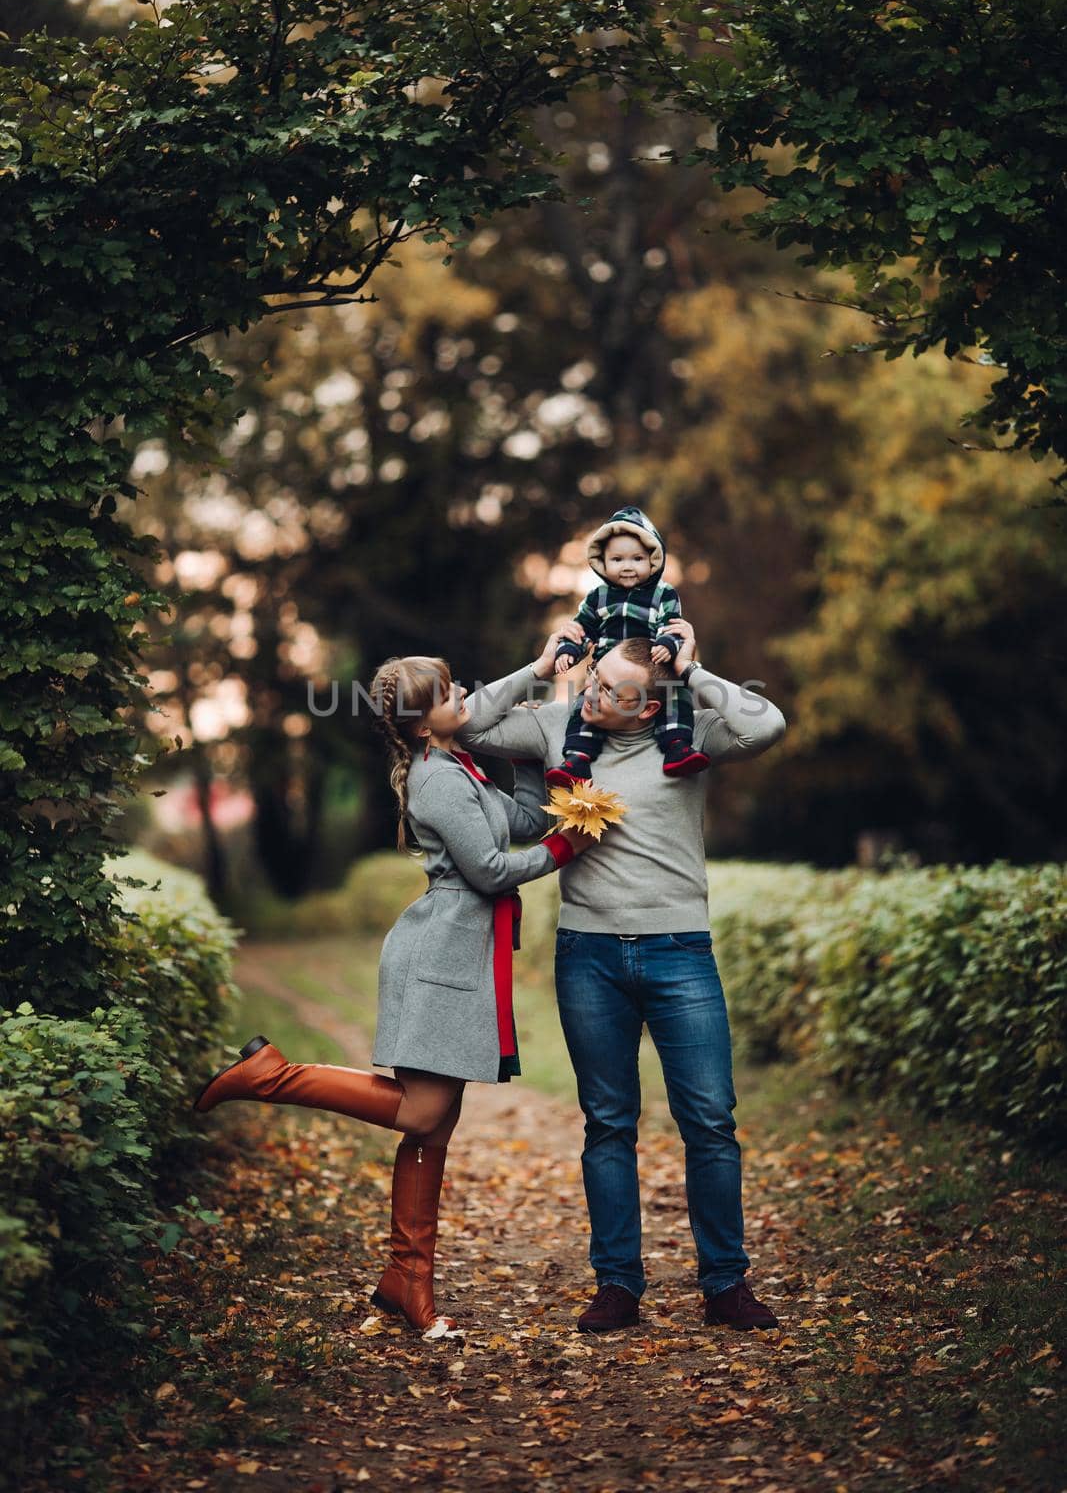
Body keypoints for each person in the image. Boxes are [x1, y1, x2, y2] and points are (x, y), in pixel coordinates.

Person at [192, 654, 593, 1336]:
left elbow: (523, 820)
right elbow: (492, 870)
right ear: (418, 723)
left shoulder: (460, 766)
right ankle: (273, 1076)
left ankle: (407, 1280)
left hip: (462, 955)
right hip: (439, 956)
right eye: (446, 692)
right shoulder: (438, 782)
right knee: (421, 1111)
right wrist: (566, 851)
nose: (461, 693)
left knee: (433, 1127)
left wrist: (535, 751)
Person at [462, 624, 787, 1334]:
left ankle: (725, 1284)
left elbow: (768, 726)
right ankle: (616, 1285)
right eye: (592, 677)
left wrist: (694, 670)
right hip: (589, 957)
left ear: (646, 708)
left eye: (609, 689)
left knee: (709, 1122)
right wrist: (540, 666)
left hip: (680, 954)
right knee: (608, 1124)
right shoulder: (557, 723)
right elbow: (471, 724)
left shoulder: (688, 737)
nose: (590, 691)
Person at [546, 504, 708, 785]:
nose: (628, 566)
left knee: (674, 695)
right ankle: (578, 758)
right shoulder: (597, 597)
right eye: (617, 559)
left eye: (637, 558)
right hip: (608, 670)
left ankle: (677, 747)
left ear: (653, 560)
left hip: (654, 664)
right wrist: (568, 652)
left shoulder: (663, 594)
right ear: (602, 562)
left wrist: (668, 644)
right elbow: (583, 630)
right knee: (585, 704)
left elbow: (672, 625)